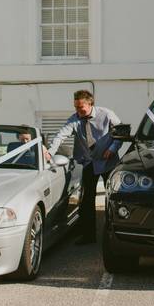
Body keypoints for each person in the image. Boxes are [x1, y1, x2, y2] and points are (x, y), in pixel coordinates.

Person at [47, 90, 122, 245]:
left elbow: (121, 133)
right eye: (76, 107)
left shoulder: (107, 114)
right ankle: (89, 236)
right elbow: (60, 136)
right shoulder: (75, 119)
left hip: (109, 163)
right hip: (90, 163)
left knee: (114, 199)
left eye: (81, 107)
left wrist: (112, 149)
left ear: (90, 103)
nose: (78, 111)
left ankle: (115, 235)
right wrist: (49, 153)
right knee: (87, 201)